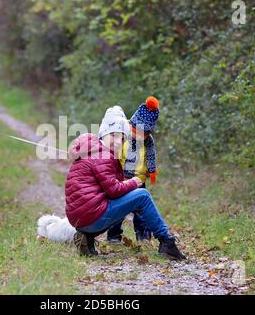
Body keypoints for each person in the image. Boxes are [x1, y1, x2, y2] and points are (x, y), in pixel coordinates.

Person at [65, 109, 186, 260]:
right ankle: (167, 242)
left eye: (122, 139)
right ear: (103, 134)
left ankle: (86, 237)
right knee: (143, 195)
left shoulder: (92, 150)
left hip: (81, 220)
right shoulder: (103, 156)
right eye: (113, 135)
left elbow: (110, 186)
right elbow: (114, 191)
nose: (117, 142)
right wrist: (133, 182)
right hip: (91, 217)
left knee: (130, 198)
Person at [106, 97, 161, 243]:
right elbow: (114, 155)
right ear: (132, 126)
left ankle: (143, 235)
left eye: (144, 135)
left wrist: (151, 170)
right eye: (137, 132)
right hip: (122, 178)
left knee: (142, 211)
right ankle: (113, 235)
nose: (139, 137)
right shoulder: (123, 137)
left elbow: (150, 157)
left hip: (139, 180)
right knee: (119, 208)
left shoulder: (148, 142)